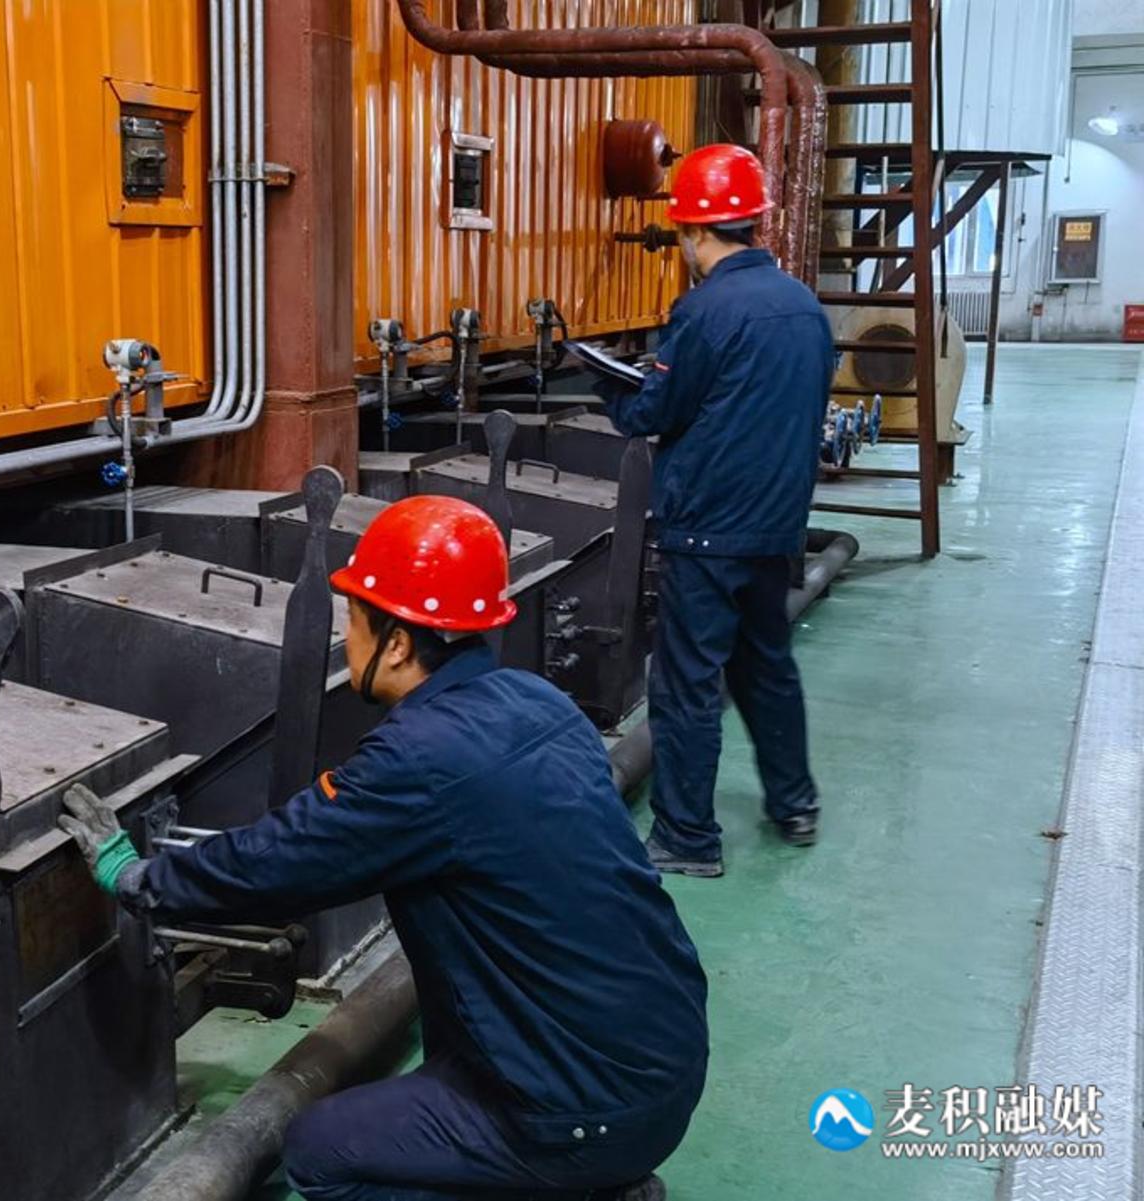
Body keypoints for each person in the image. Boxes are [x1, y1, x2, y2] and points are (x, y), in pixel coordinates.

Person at [61, 494, 708, 1201]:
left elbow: (276, 860)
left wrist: (137, 875)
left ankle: (580, 1180)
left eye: (354, 619)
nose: (348, 640)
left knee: (324, 1152)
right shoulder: (537, 700)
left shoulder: (422, 758)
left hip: (586, 1107)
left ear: (397, 643)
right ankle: (599, 1174)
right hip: (666, 1061)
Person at [597, 143, 835, 879]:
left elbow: (654, 411)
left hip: (708, 529)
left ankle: (687, 838)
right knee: (767, 664)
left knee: (687, 682)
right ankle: (794, 804)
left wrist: (611, 386)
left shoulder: (704, 311)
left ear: (696, 231)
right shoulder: (805, 307)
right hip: (777, 525)